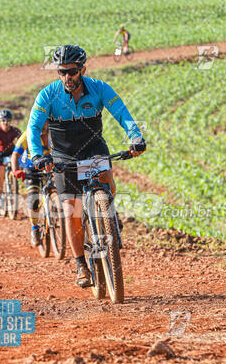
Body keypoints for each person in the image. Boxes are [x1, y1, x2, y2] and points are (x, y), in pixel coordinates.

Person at [27, 44, 146, 288]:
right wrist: (39, 156)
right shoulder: (47, 95)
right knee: (72, 211)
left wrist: (135, 138)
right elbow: (33, 128)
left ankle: (109, 215)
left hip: (93, 148)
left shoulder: (100, 88)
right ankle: (81, 264)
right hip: (63, 156)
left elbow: (123, 114)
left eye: (72, 71)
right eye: (62, 72)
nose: (67, 77)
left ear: (83, 69)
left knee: (106, 176)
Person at [11, 122, 51, 247]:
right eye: (41, 123)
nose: (43, 127)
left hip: (49, 165)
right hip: (30, 167)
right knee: (33, 199)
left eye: (46, 123)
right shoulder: (28, 133)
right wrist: (16, 170)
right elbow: (15, 154)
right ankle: (34, 228)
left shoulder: (54, 131)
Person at [0, 110, 21, 211]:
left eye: (8, 120)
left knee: (16, 167)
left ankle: (14, 189)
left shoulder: (14, 130)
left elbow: (22, 139)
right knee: (0, 175)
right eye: (3, 120)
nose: (6, 123)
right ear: (0, 121)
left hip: (11, 153)